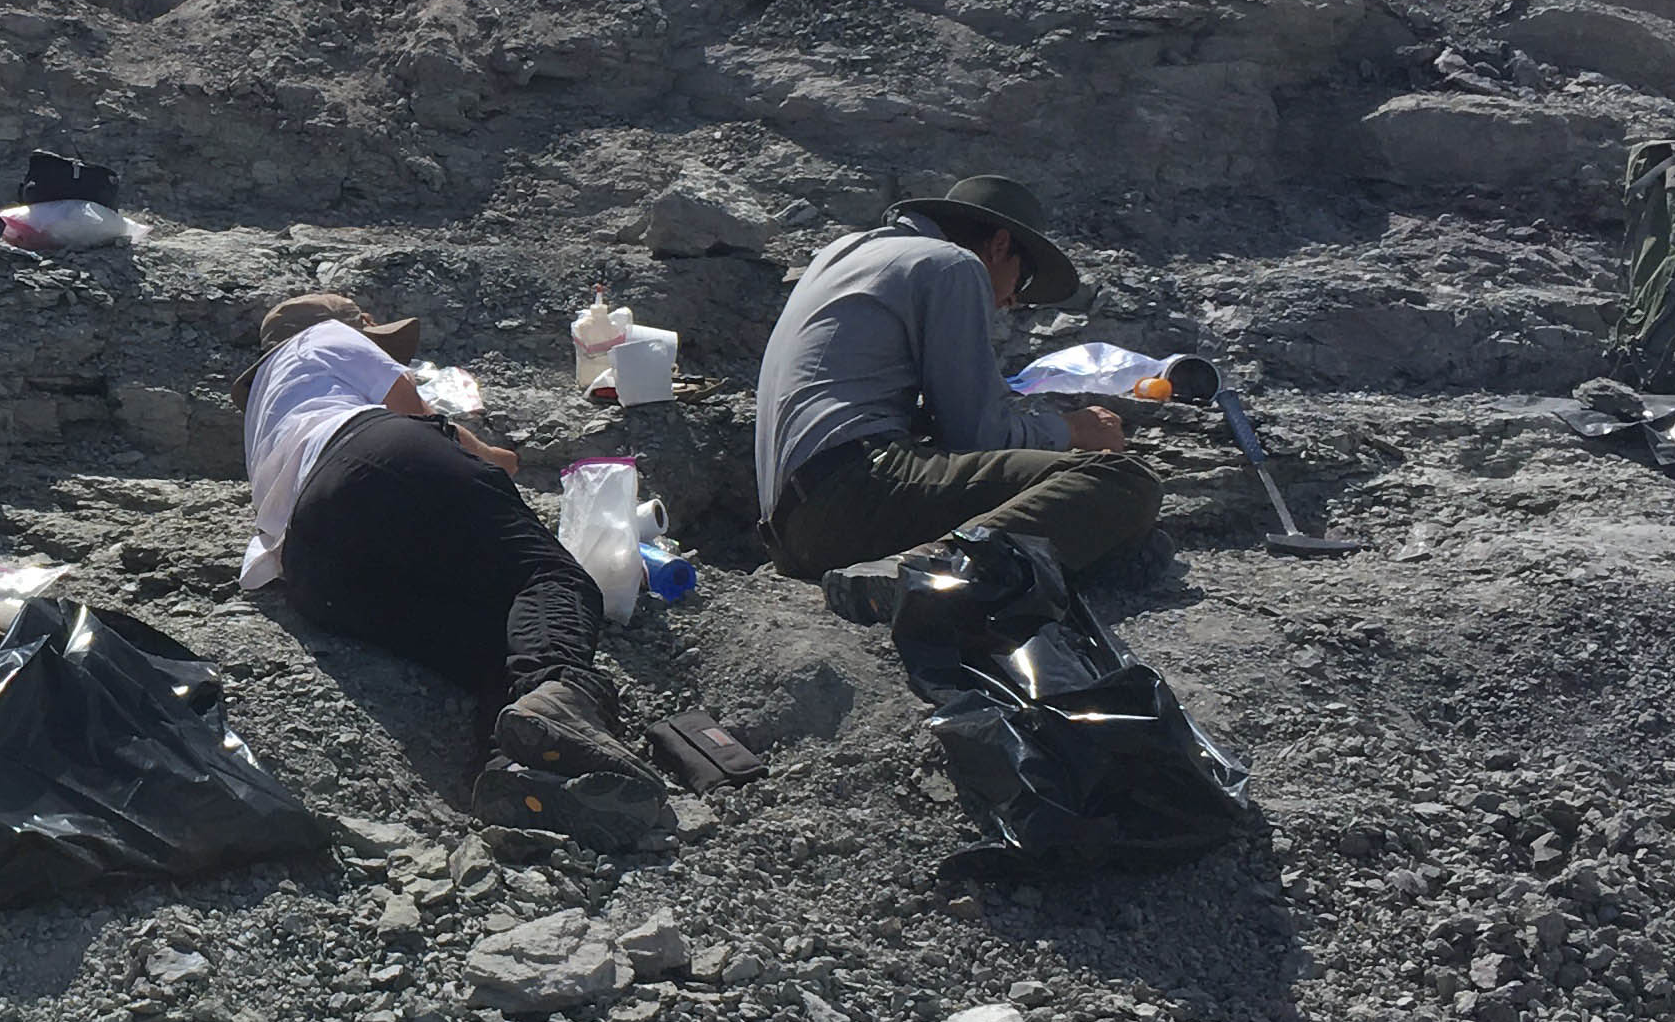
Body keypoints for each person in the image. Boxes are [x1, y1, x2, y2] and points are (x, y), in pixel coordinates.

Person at [240, 291, 672, 847]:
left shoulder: (263, 408)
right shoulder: (323, 336)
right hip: (376, 458)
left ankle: (512, 773)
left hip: (312, 565)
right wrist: (491, 460)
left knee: (499, 646)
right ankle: (564, 692)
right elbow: (412, 410)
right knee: (552, 578)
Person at [751, 174, 1160, 588]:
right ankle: (920, 573)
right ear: (1000, 245)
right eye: (1023, 281)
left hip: (794, 528)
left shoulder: (845, 253)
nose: (1013, 301)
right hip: (850, 499)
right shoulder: (953, 264)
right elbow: (979, 433)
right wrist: (1073, 429)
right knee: (1123, 482)